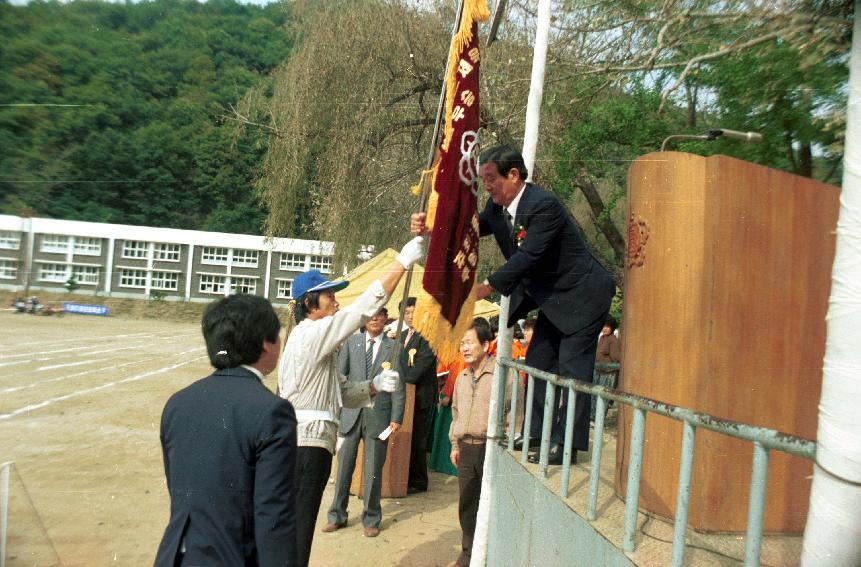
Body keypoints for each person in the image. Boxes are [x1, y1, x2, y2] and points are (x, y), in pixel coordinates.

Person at [411, 144, 614, 465]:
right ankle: (534, 431)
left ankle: (567, 444)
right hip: (554, 300)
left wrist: (484, 288)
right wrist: (433, 228)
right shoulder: (497, 209)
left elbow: (528, 256)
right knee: (536, 362)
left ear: (514, 175)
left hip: (584, 296)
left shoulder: (543, 205)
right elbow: (470, 229)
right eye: (483, 179)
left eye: (491, 178)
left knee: (574, 371)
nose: (487, 186)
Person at [278, 236, 423, 567]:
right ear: (311, 304)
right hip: (306, 443)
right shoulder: (313, 333)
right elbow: (363, 309)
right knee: (298, 526)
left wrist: (373, 385)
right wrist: (401, 262)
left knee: (299, 524)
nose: (335, 300)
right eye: (329, 295)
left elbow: (342, 392)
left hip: (309, 442)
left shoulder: (313, 338)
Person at [155, 294, 298, 567]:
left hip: (176, 557)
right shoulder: (272, 411)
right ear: (266, 344)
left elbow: (180, 489)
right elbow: (274, 516)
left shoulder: (178, 402)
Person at [323, 307, 404, 538]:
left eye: (380, 315)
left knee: (373, 471)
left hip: (379, 417)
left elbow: (398, 386)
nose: (375, 318)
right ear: (365, 318)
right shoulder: (352, 343)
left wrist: (396, 418)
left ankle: (371, 518)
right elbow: (340, 377)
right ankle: (336, 515)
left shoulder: (394, 348)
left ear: (385, 319)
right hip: (351, 414)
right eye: (372, 314)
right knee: (343, 468)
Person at [449, 319, 507, 567]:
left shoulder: (501, 376)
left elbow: (514, 415)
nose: (465, 348)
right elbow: (455, 414)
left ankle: (491, 555)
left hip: (491, 448)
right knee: (467, 502)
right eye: (462, 343)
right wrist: (454, 444)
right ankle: (468, 552)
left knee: (492, 503)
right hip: (467, 449)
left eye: (470, 342)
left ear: (486, 344)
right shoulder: (462, 377)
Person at [398, 296, 438, 494]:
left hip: (420, 396)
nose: (410, 316)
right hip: (404, 395)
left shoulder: (428, 335)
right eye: (406, 313)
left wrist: (401, 383)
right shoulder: (401, 335)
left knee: (417, 440)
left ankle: (419, 481)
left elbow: (421, 366)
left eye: (414, 312)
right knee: (405, 438)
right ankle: (404, 477)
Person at [592, 315, 622, 420]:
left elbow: (616, 358)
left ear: (612, 328)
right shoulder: (602, 338)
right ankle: (593, 418)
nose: (605, 328)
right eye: (603, 326)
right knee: (594, 396)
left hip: (608, 374)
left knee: (604, 398)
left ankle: (599, 419)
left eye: (607, 326)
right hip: (598, 371)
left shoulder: (613, 340)